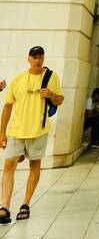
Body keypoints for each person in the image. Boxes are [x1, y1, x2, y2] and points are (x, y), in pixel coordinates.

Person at [0, 45, 64, 223]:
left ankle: (25, 204)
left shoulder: (51, 77)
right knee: (9, 164)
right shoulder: (19, 78)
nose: (37, 60)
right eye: (34, 57)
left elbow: (60, 99)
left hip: (38, 130)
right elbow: (7, 106)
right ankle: (4, 206)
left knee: (34, 164)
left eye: (40, 57)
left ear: (43, 59)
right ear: (28, 59)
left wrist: (51, 95)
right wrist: (2, 133)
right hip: (16, 130)